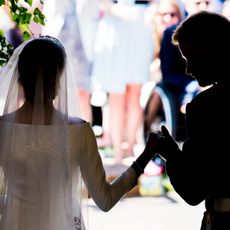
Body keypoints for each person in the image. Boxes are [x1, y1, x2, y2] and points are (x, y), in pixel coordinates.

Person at [0, 35, 159, 230]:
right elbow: (105, 200)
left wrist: (20, 202)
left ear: (20, 77)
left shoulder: (2, 128)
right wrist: (145, 156)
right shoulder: (79, 131)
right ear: (59, 79)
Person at [155, 12, 230, 230]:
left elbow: (194, 190)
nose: (188, 69)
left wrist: (170, 153)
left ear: (212, 51)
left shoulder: (206, 108)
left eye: (191, 59)